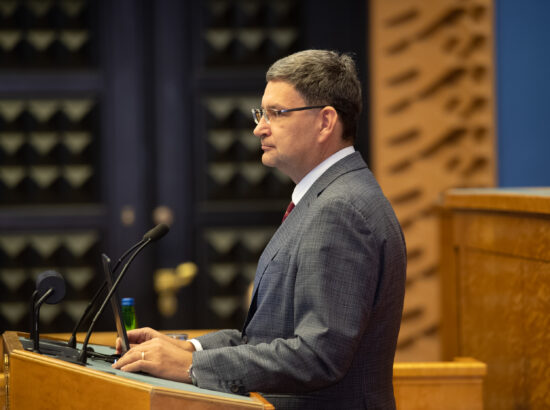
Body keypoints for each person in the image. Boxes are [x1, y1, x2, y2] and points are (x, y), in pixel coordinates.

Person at [112, 49, 407, 410]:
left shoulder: (340, 209)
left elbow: (319, 355)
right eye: (261, 113)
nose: (258, 128)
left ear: (325, 122)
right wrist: (188, 348)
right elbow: (268, 336)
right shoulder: (327, 197)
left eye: (276, 114)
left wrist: (191, 367)